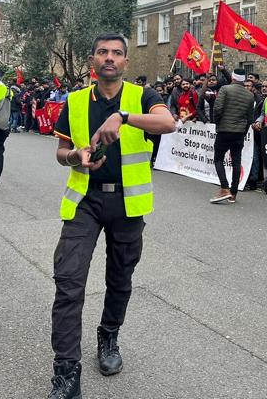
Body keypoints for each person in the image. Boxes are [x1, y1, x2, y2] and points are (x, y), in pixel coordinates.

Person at [48, 33, 174, 398]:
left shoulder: (142, 96)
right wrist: (76, 156)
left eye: (117, 53)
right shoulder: (74, 101)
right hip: (85, 201)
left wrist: (123, 117)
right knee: (68, 281)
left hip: (127, 202)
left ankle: (108, 335)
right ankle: (66, 372)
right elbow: (61, 152)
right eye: (102, 52)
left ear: (125, 62)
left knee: (120, 278)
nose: (109, 57)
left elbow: (169, 124)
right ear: (92, 60)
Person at [210, 68, 255, 204]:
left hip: (224, 130)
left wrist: (217, 123)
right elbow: (250, 118)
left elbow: (217, 109)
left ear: (233, 78)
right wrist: (244, 130)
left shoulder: (225, 89)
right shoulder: (250, 95)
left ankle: (224, 188)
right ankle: (233, 193)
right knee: (236, 161)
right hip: (239, 132)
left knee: (218, 159)